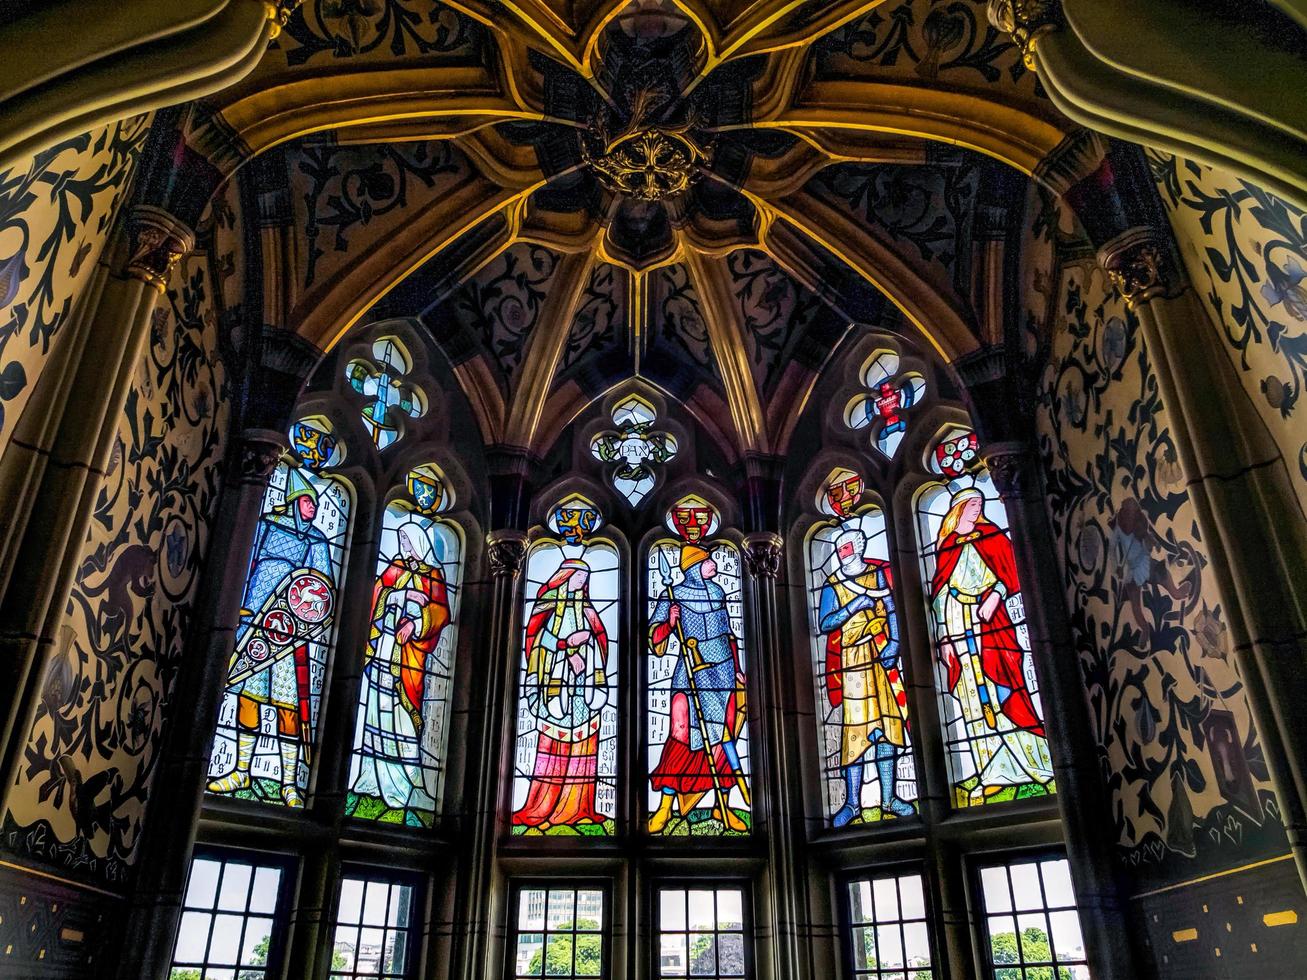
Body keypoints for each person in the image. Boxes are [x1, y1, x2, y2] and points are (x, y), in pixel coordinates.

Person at [208, 467, 335, 807]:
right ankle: (240, 771)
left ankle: (290, 783)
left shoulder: (318, 542)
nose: (313, 509)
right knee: (248, 700)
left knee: (288, 710)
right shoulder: (267, 527)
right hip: (255, 624)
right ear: (294, 502)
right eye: (308, 502)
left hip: (291, 635)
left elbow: (324, 592)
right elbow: (247, 565)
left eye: (316, 504)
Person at [928, 487, 1051, 801]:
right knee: (972, 698)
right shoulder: (946, 547)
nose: (976, 509)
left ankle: (1034, 764)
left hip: (991, 618)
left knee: (1006, 684)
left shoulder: (992, 534)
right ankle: (992, 771)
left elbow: (1009, 572)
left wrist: (995, 595)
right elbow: (940, 593)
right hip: (957, 619)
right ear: (958, 511)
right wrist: (944, 634)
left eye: (979, 504)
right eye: (971, 505)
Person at [350, 523, 452, 815]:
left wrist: (416, 622)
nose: (404, 545)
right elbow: (376, 594)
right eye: (401, 539)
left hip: (408, 656)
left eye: (407, 540)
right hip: (384, 646)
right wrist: (397, 597)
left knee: (402, 716)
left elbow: (442, 612)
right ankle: (370, 778)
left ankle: (402, 783)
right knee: (376, 713)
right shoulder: (394, 567)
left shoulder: (433, 575)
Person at [818, 527, 914, 826]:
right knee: (856, 733)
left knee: (888, 727)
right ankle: (852, 804)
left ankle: (889, 798)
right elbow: (825, 622)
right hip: (853, 660)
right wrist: (852, 606)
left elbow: (893, 610)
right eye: (838, 549)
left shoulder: (877, 575)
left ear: (858, 547)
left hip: (881, 653)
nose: (841, 553)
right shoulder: (833, 584)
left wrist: (896, 643)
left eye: (845, 547)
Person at [648, 545, 748, 832]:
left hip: (723, 672)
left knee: (723, 740)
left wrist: (738, 669)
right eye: (707, 560)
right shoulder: (674, 595)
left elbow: (729, 634)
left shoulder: (718, 593)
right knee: (681, 738)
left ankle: (723, 807)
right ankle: (665, 808)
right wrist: (669, 622)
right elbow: (654, 637)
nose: (713, 564)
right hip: (690, 672)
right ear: (694, 567)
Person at [513, 557, 610, 829]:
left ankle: (578, 808)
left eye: (585, 579)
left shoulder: (587, 609)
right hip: (554, 682)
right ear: (565, 576)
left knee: (584, 746)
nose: (583, 582)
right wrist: (566, 646)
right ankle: (540, 807)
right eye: (579, 576)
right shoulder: (548, 605)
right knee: (552, 747)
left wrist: (586, 652)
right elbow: (534, 641)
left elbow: (600, 640)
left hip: (583, 685)